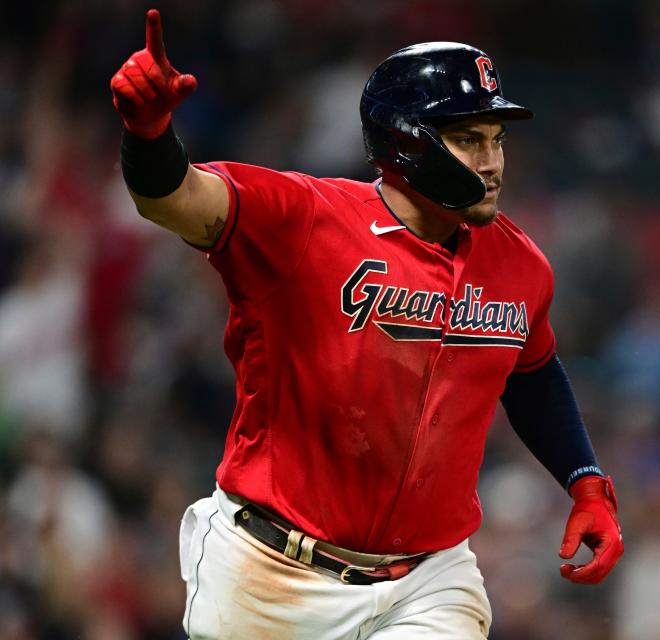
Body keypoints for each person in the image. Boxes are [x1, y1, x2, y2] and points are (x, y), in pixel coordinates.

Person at [111, 9, 623, 639]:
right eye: (469, 139)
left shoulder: (520, 262)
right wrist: (150, 134)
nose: (492, 161)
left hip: (429, 582)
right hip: (274, 570)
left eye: (497, 138)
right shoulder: (306, 219)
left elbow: (532, 369)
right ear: (406, 140)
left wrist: (585, 480)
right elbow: (175, 199)